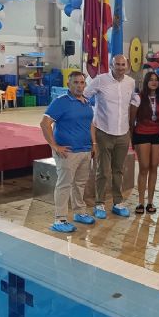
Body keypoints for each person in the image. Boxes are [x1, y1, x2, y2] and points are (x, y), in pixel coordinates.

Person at [40, 71, 96, 232]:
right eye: (75, 83)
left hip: (85, 150)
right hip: (68, 152)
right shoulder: (61, 102)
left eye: (82, 82)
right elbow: (44, 123)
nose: (79, 86)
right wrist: (55, 146)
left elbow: (90, 124)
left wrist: (94, 143)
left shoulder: (87, 102)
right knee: (64, 185)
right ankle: (60, 219)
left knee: (80, 184)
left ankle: (79, 212)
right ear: (68, 84)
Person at [84, 55, 136, 219]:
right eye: (117, 64)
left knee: (118, 170)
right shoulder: (100, 80)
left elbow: (132, 102)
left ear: (127, 66)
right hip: (103, 133)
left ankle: (117, 203)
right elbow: (84, 96)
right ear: (111, 66)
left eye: (123, 65)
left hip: (123, 134)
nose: (120, 67)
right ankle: (99, 203)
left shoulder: (131, 82)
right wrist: (89, 118)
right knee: (103, 171)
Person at [129, 71, 159, 215]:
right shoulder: (138, 98)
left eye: (156, 80)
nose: (154, 82)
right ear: (146, 82)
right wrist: (133, 139)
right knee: (144, 167)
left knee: (154, 167)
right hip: (141, 134)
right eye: (151, 80)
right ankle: (140, 202)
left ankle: (150, 201)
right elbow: (131, 121)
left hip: (157, 134)